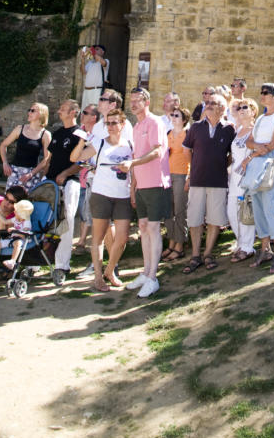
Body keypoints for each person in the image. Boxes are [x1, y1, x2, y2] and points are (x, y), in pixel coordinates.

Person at [70, 108, 133, 291]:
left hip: (122, 195)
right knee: (97, 238)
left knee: (121, 238)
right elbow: (75, 158)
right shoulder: (99, 143)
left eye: (115, 123)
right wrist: (82, 139)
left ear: (122, 124)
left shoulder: (129, 144)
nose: (111, 127)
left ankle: (110, 270)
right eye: (108, 123)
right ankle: (98, 277)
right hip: (101, 194)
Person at [117, 88, 171, 298]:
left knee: (153, 227)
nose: (133, 104)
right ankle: (146, 271)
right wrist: (134, 185)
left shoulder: (155, 122)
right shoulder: (137, 126)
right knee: (142, 226)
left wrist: (133, 163)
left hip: (156, 183)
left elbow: (158, 151)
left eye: (137, 100)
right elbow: (136, 156)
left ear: (147, 101)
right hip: (142, 185)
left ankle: (153, 277)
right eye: (131, 101)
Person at [182, 92, 236, 272]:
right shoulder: (196, 127)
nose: (209, 105)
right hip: (197, 180)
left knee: (215, 219)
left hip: (218, 181)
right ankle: (195, 255)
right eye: (208, 102)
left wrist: (220, 165)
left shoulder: (229, 129)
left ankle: (208, 254)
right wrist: (194, 167)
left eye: (214, 103)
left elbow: (232, 155)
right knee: (195, 219)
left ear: (223, 108)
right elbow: (186, 150)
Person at [241, 84, 274, 274]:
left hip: (269, 167)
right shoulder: (260, 118)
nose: (262, 96)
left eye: (265, 93)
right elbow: (249, 141)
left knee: (271, 208)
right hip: (256, 168)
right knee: (258, 209)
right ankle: (264, 249)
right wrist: (258, 148)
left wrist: (252, 154)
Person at [46, 99, 83, 276]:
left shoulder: (79, 134)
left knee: (67, 220)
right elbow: (50, 159)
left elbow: (81, 163)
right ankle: (40, 260)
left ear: (73, 112)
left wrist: (66, 174)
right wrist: (43, 178)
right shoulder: (58, 133)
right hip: (51, 183)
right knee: (47, 219)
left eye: (63, 108)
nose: (59, 111)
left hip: (70, 182)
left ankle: (62, 264)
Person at [226, 97, 258, 262]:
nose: (242, 110)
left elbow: (260, 150)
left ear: (253, 111)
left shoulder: (256, 130)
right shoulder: (237, 130)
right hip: (234, 177)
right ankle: (240, 242)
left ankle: (247, 247)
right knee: (232, 212)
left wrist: (250, 159)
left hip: (247, 176)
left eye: (246, 107)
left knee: (245, 211)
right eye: (240, 108)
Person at [162, 106, 192, 261]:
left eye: (177, 115)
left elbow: (191, 157)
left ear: (184, 119)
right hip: (167, 175)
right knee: (168, 211)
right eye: (172, 115)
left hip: (181, 174)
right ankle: (171, 242)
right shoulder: (167, 134)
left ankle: (179, 245)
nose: (173, 117)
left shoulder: (187, 135)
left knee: (180, 210)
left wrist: (189, 177)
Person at [0, 103, 51, 191]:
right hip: (14, 171)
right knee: (9, 201)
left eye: (33, 111)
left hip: (31, 173)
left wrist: (31, 174)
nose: (29, 113)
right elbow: (3, 145)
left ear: (42, 114)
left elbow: (47, 159)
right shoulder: (20, 128)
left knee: (26, 203)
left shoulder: (45, 134)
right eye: (29, 110)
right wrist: (5, 163)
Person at [73, 104, 99, 254]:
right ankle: (82, 241)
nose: (82, 114)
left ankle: (83, 242)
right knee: (83, 209)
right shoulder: (80, 131)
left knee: (88, 209)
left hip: (90, 176)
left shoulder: (97, 134)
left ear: (93, 117)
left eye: (86, 112)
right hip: (80, 175)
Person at [0, 198, 34, 272]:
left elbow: (24, 234)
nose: (14, 212)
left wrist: (15, 230)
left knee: (18, 243)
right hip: (12, 239)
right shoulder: (15, 219)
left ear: (21, 214)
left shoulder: (27, 223)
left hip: (23, 240)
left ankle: (12, 261)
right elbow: (5, 221)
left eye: (16, 211)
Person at [80, 44, 109, 110]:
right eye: (94, 49)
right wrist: (82, 59)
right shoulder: (90, 63)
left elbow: (102, 62)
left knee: (95, 112)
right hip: (86, 91)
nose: (95, 51)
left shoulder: (106, 61)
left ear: (102, 52)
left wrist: (91, 51)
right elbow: (83, 72)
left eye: (97, 49)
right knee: (84, 111)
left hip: (97, 91)